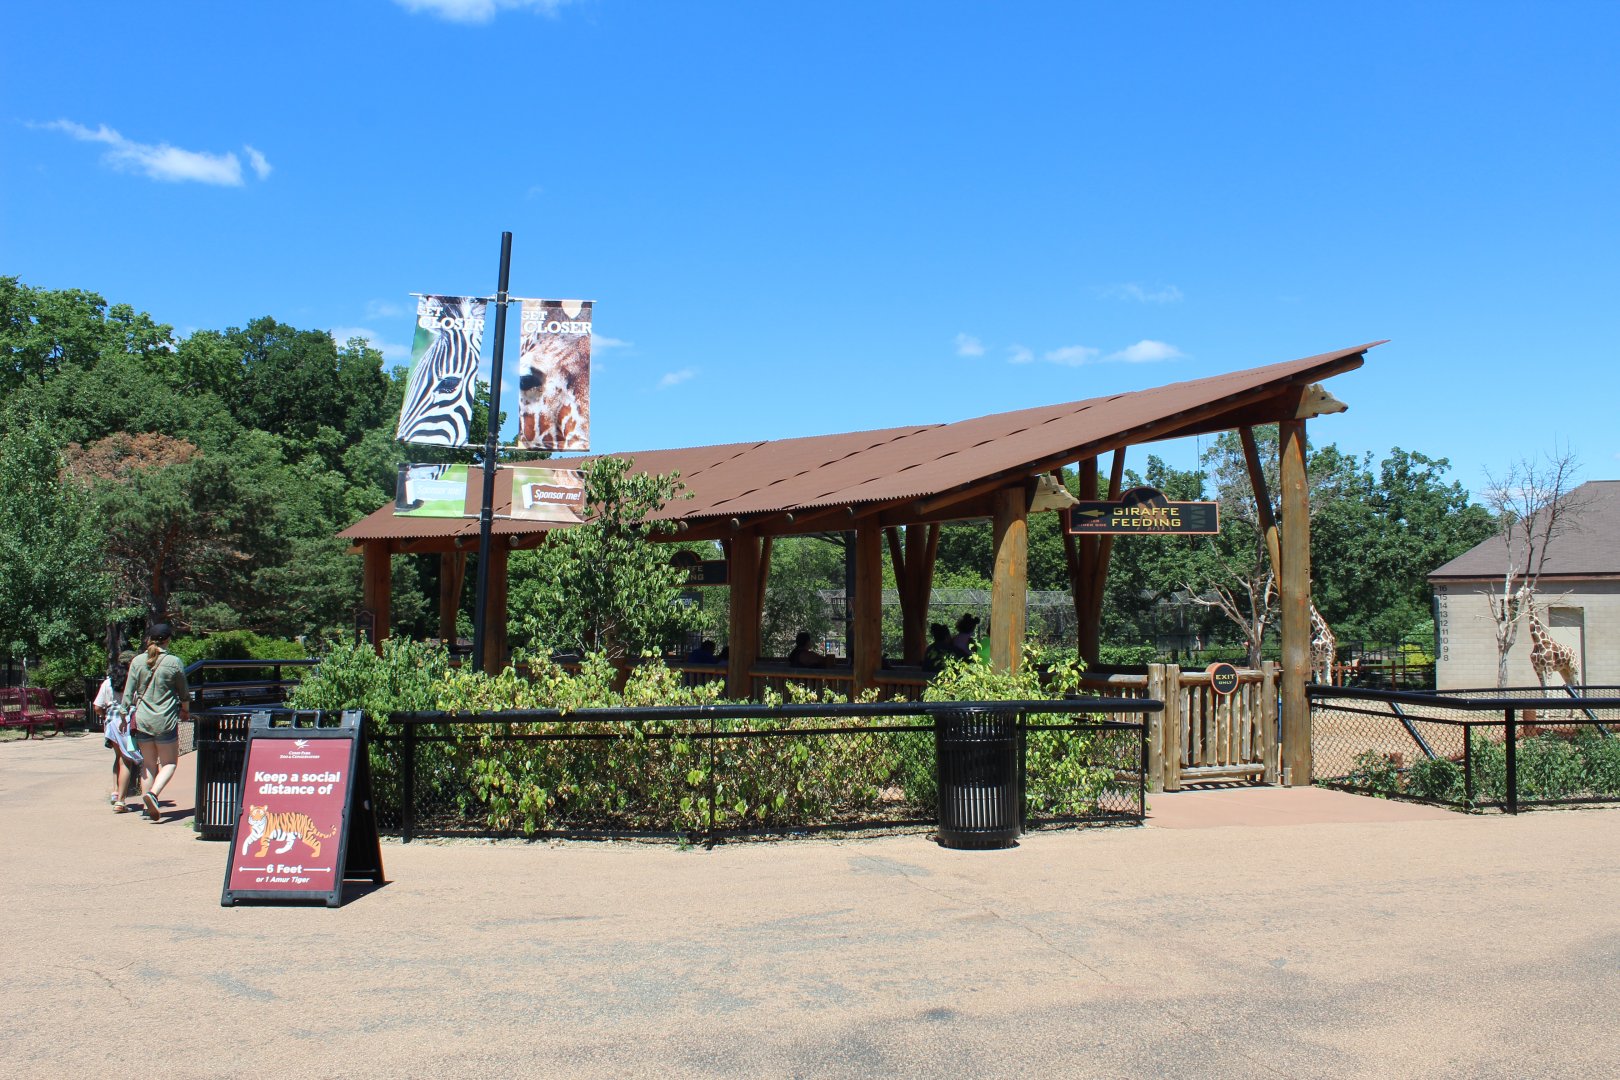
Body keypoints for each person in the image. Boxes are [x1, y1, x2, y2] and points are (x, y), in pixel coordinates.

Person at [122, 623, 190, 822]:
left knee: (148, 764)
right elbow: (184, 692)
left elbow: (128, 692)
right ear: (168, 639)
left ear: (148, 638)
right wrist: (185, 710)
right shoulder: (174, 662)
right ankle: (152, 795)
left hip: (143, 718)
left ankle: (146, 807)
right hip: (165, 719)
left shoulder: (137, 661)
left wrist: (123, 713)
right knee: (169, 762)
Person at [94, 651, 140, 811]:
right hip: (128, 721)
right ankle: (121, 800)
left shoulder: (108, 682)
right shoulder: (134, 681)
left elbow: (97, 707)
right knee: (127, 760)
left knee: (118, 756)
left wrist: (106, 715)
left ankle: (115, 791)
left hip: (111, 722)